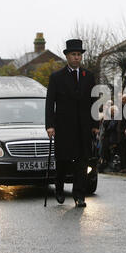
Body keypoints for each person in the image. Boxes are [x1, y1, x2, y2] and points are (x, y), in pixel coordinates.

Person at [46, 39, 98, 207]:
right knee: (63, 160)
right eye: (73, 55)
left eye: (79, 55)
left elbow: (93, 102)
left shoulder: (88, 76)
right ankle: (59, 187)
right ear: (67, 56)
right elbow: (50, 103)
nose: (77, 58)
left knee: (82, 162)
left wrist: (95, 124)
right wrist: (50, 125)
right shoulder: (56, 77)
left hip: (83, 127)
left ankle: (79, 195)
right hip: (63, 126)